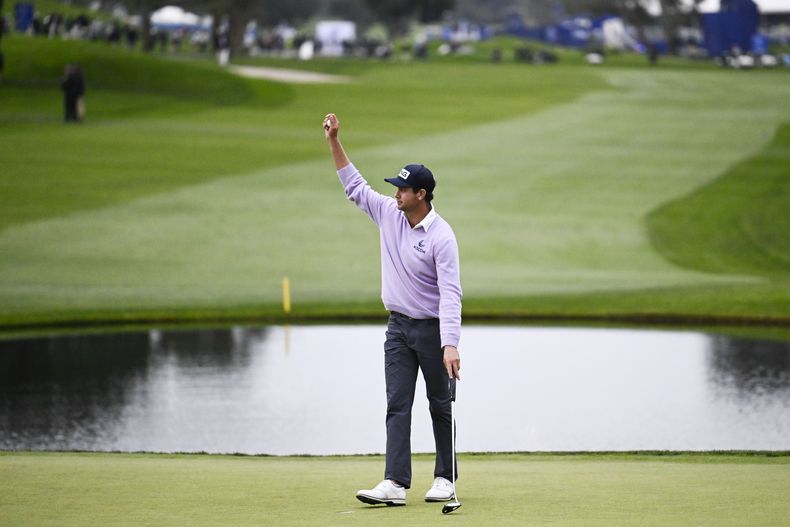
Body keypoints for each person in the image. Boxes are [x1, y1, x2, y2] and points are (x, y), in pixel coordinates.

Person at [323, 113, 462, 507]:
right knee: (397, 404)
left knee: (440, 405)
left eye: (403, 189)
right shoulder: (388, 213)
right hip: (398, 328)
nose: (396, 193)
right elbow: (354, 186)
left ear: (421, 194)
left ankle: (445, 478)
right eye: (397, 189)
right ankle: (395, 483)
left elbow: (451, 293)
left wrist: (450, 343)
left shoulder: (442, 237)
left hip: (433, 329)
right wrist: (334, 141)